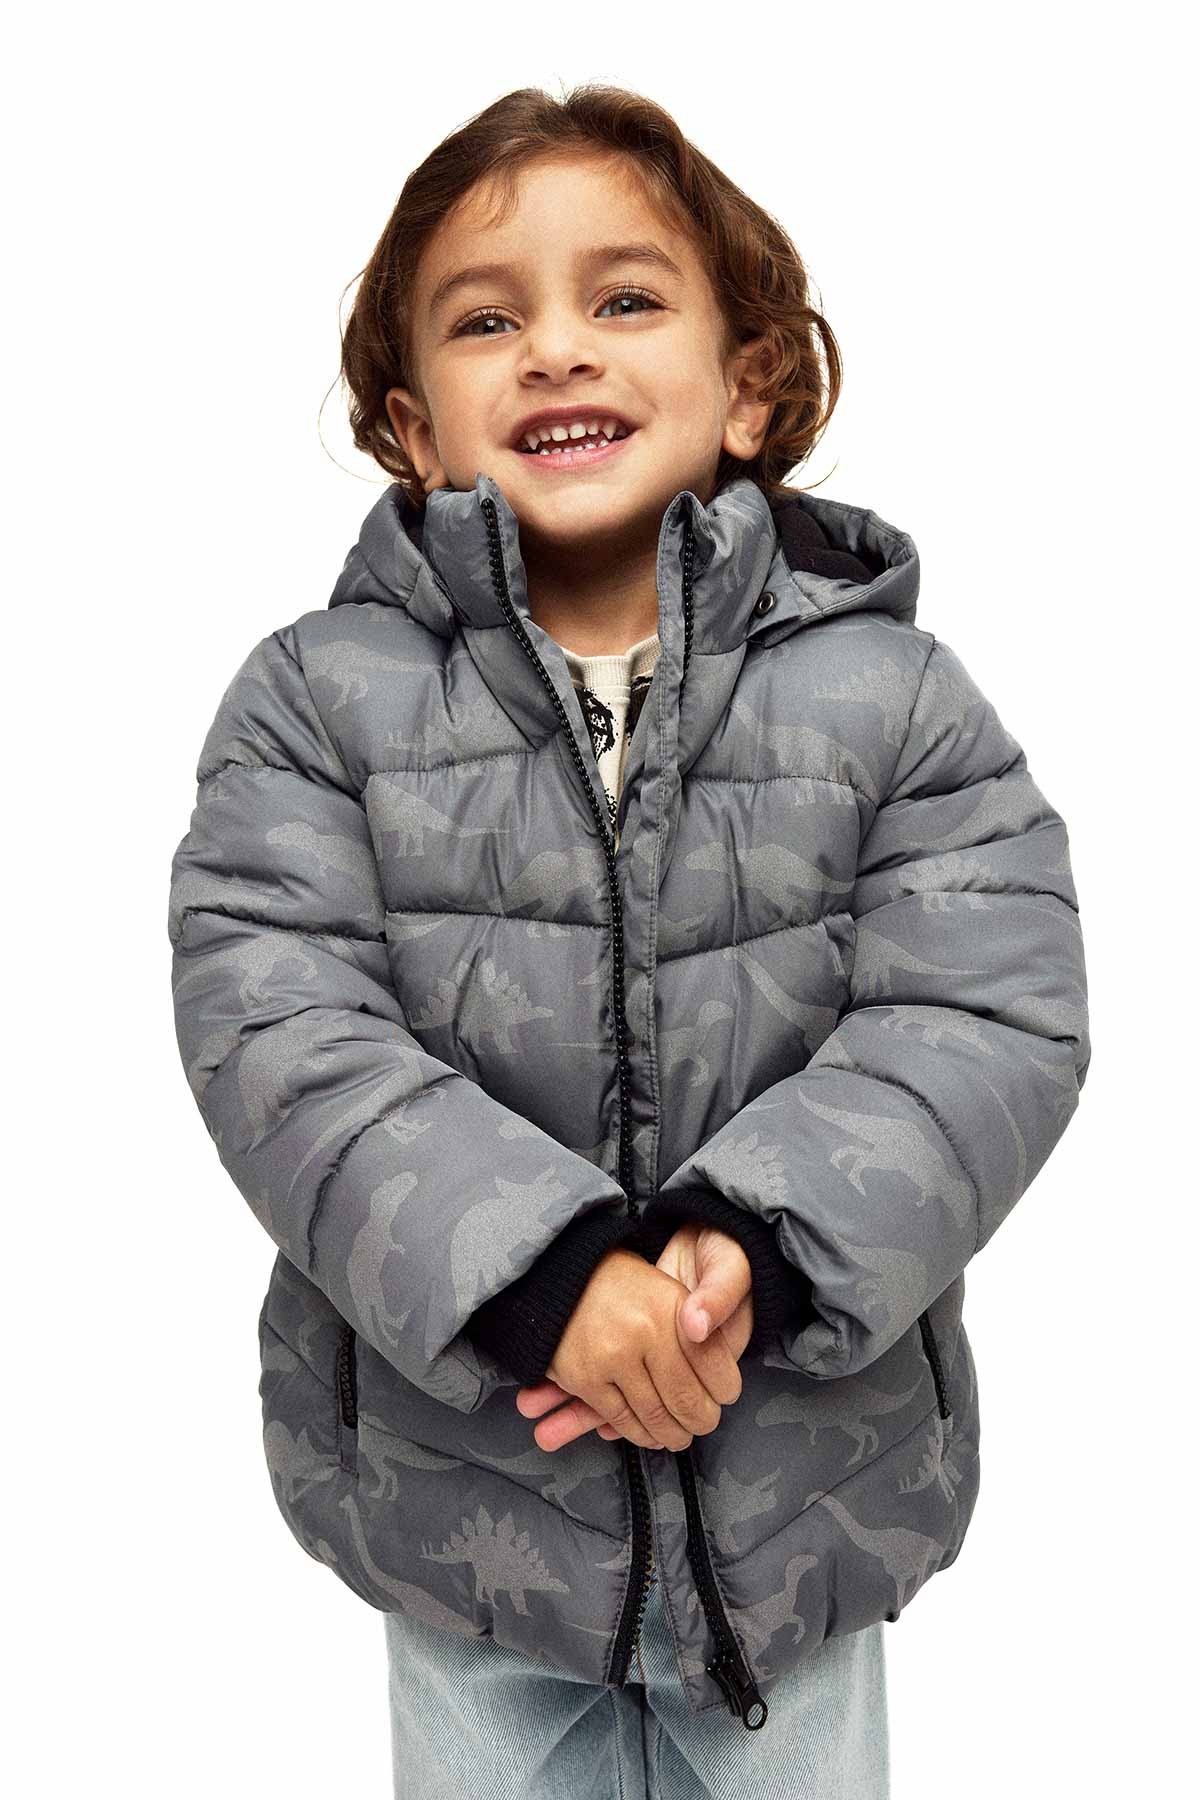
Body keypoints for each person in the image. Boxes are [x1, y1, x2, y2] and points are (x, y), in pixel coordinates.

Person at [167, 82, 1090, 1800]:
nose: (555, 349)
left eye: (626, 298)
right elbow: (279, 1030)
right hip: (472, 1504)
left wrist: (754, 1253)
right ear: (412, 427)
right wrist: (543, 1279)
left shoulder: (893, 697)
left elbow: (982, 1010)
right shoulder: (315, 707)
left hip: (797, 1487)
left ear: (751, 385)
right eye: (485, 321)